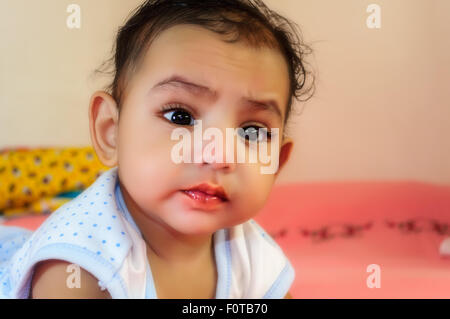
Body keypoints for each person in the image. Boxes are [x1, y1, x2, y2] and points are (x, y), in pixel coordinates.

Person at [0, 0, 314, 298]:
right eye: (181, 117)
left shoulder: (248, 251)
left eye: (251, 132)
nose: (219, 154)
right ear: (111, 132)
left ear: (277, 163)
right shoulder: (79, 266)